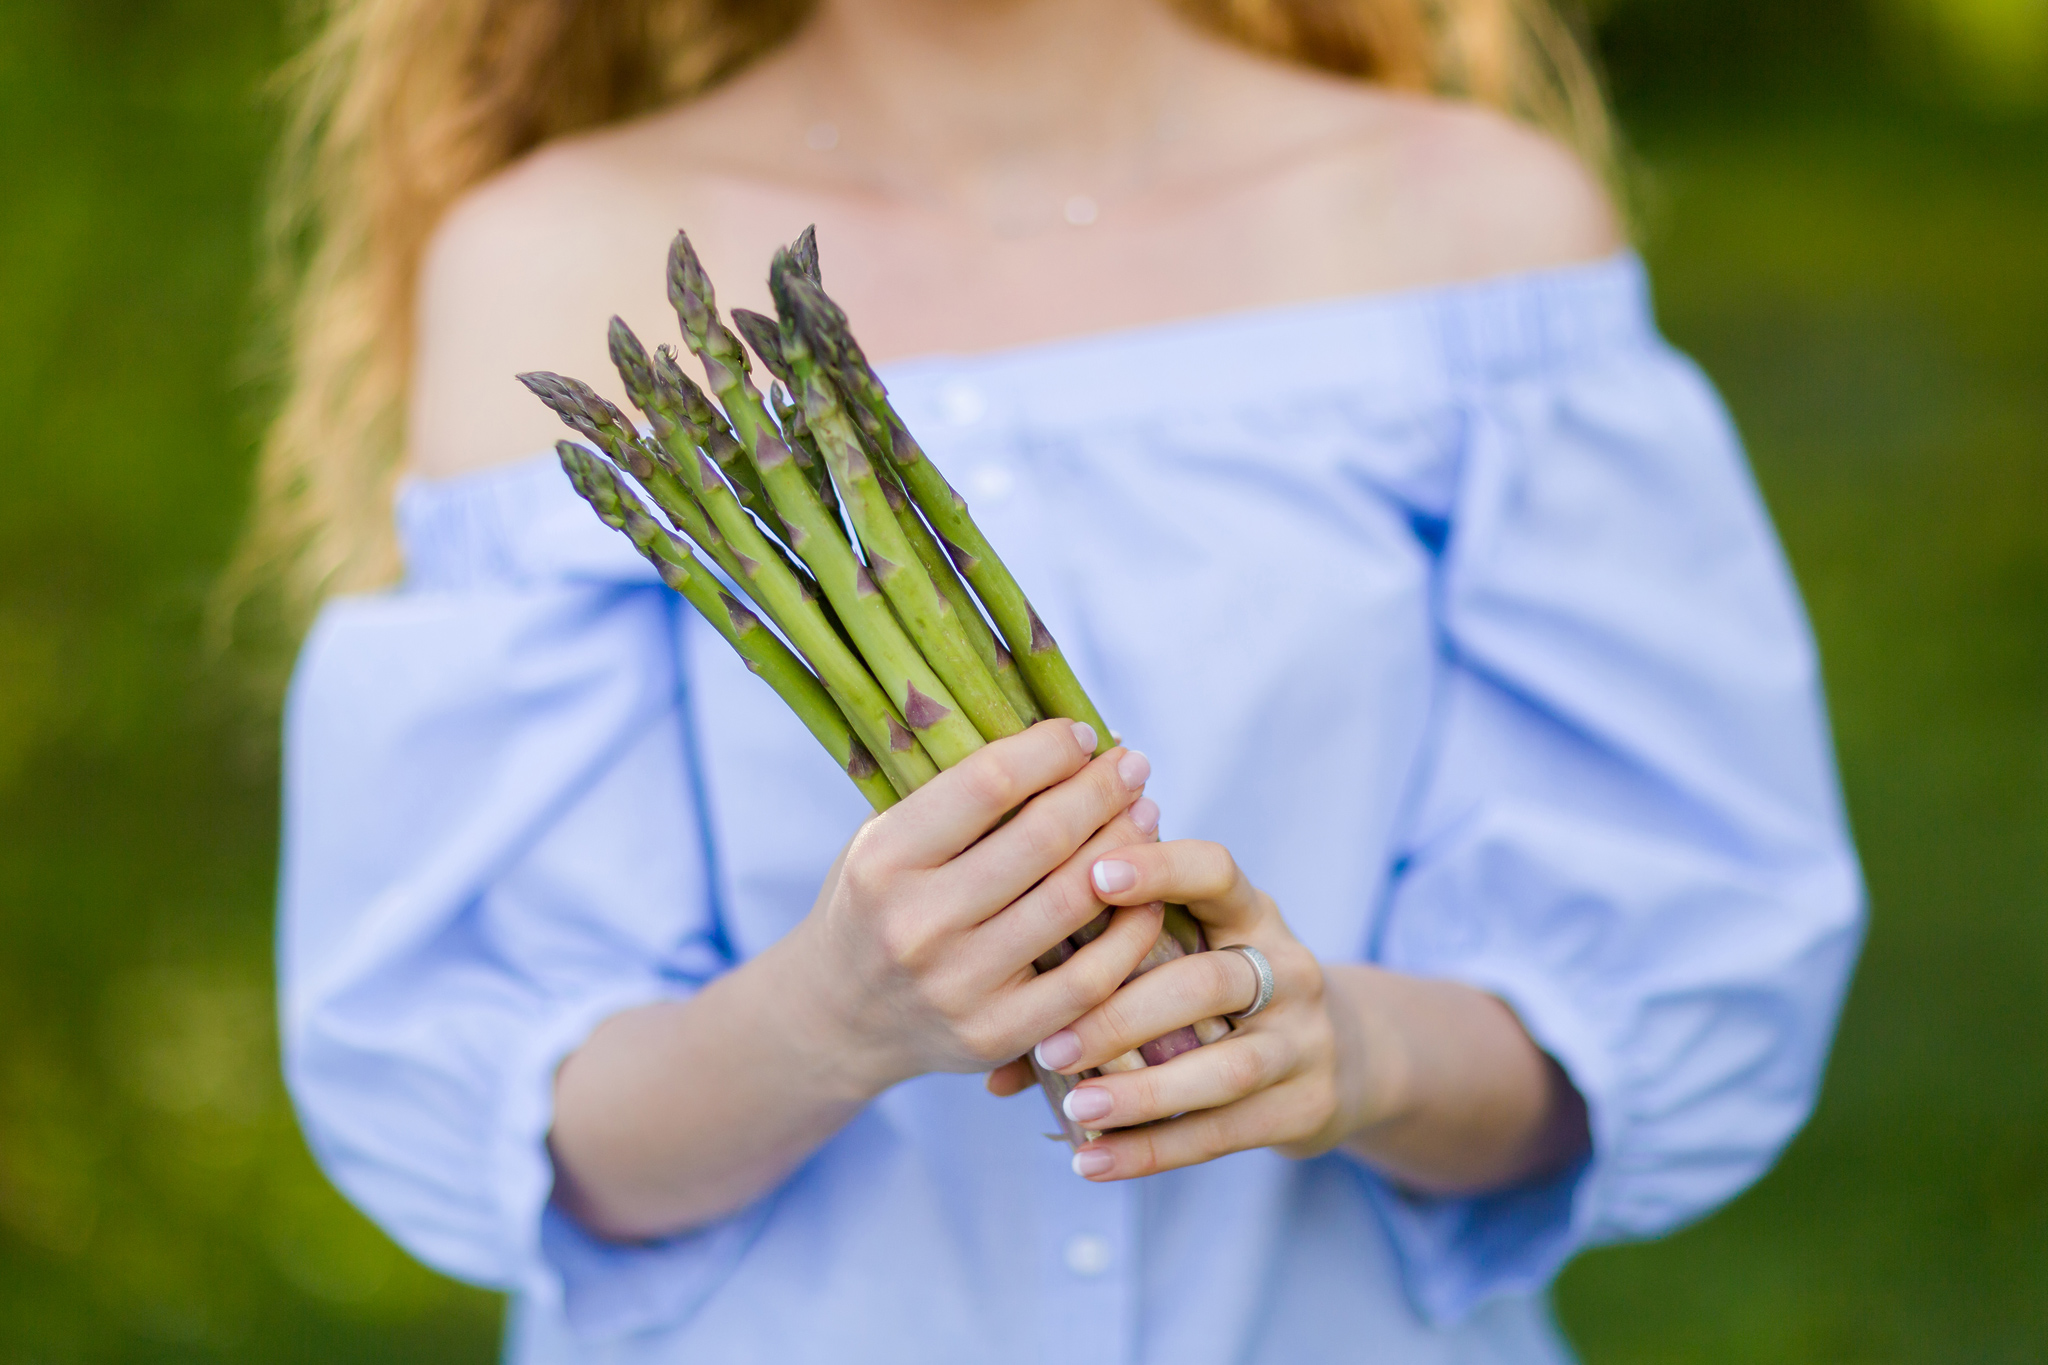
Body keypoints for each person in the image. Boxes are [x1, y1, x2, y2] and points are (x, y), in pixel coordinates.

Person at [256, 1, 1865, 1360]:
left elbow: (1655, 987)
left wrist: (1345, 1052)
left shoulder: (1474, 231)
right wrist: (830, 1018)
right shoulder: (546, 259)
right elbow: (517, 1116)